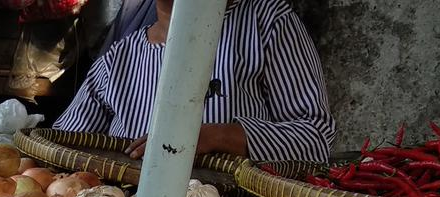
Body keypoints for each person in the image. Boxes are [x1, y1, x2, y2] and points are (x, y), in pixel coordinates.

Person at [54, 0, 335, 164]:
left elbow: (315, 139)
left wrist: (216, 137)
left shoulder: (266, 21)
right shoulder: (118, 60)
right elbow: (59, 146)